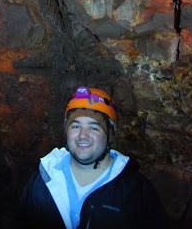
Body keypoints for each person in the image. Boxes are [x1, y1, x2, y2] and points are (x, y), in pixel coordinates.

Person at [18, 86, 169, 229]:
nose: (83, 135)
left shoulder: (136, 191)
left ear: (110, 135)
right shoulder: (41, 181)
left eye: (94, 127)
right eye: (75, 126)